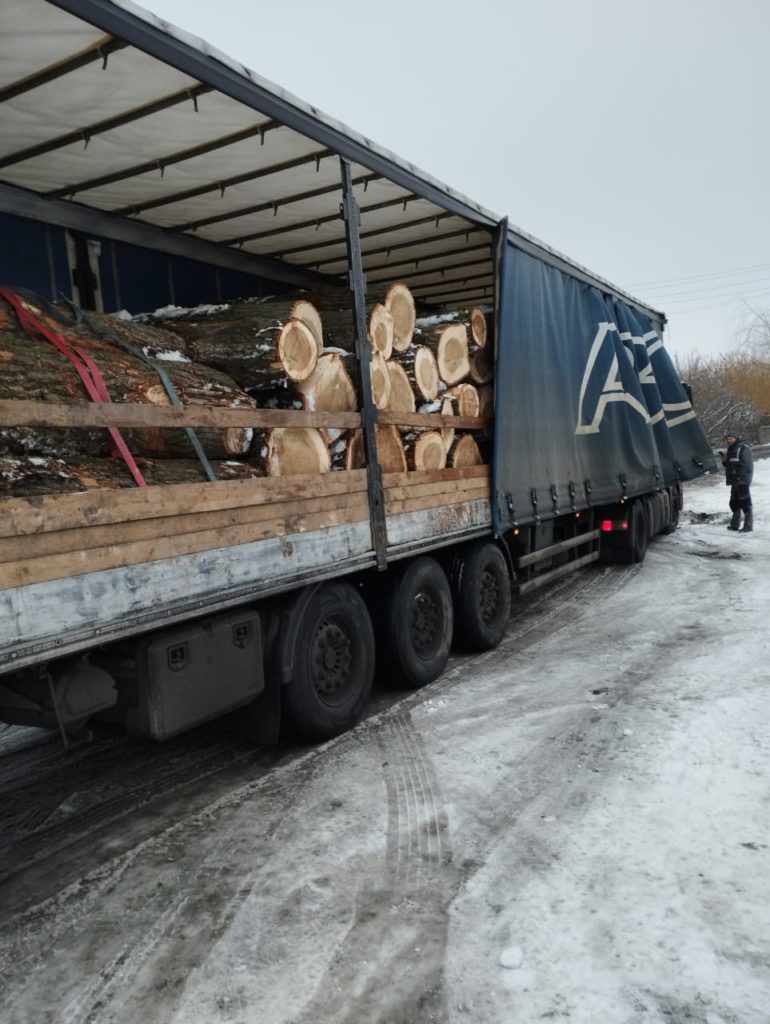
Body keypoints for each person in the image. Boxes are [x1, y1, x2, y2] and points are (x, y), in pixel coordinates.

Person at [719, 431, 753, 532]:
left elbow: (746, 464)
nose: (729, 440)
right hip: (735, 481)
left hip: (742, 480)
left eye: (731, 438)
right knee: (734, 503)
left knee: (745, 503)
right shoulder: (731, 449)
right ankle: (734, 525)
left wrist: (739, 477)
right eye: (727, 439)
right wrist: (724, 460)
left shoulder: (743, 448)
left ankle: (748, 526)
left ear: (736, 438)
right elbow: (730, 466)